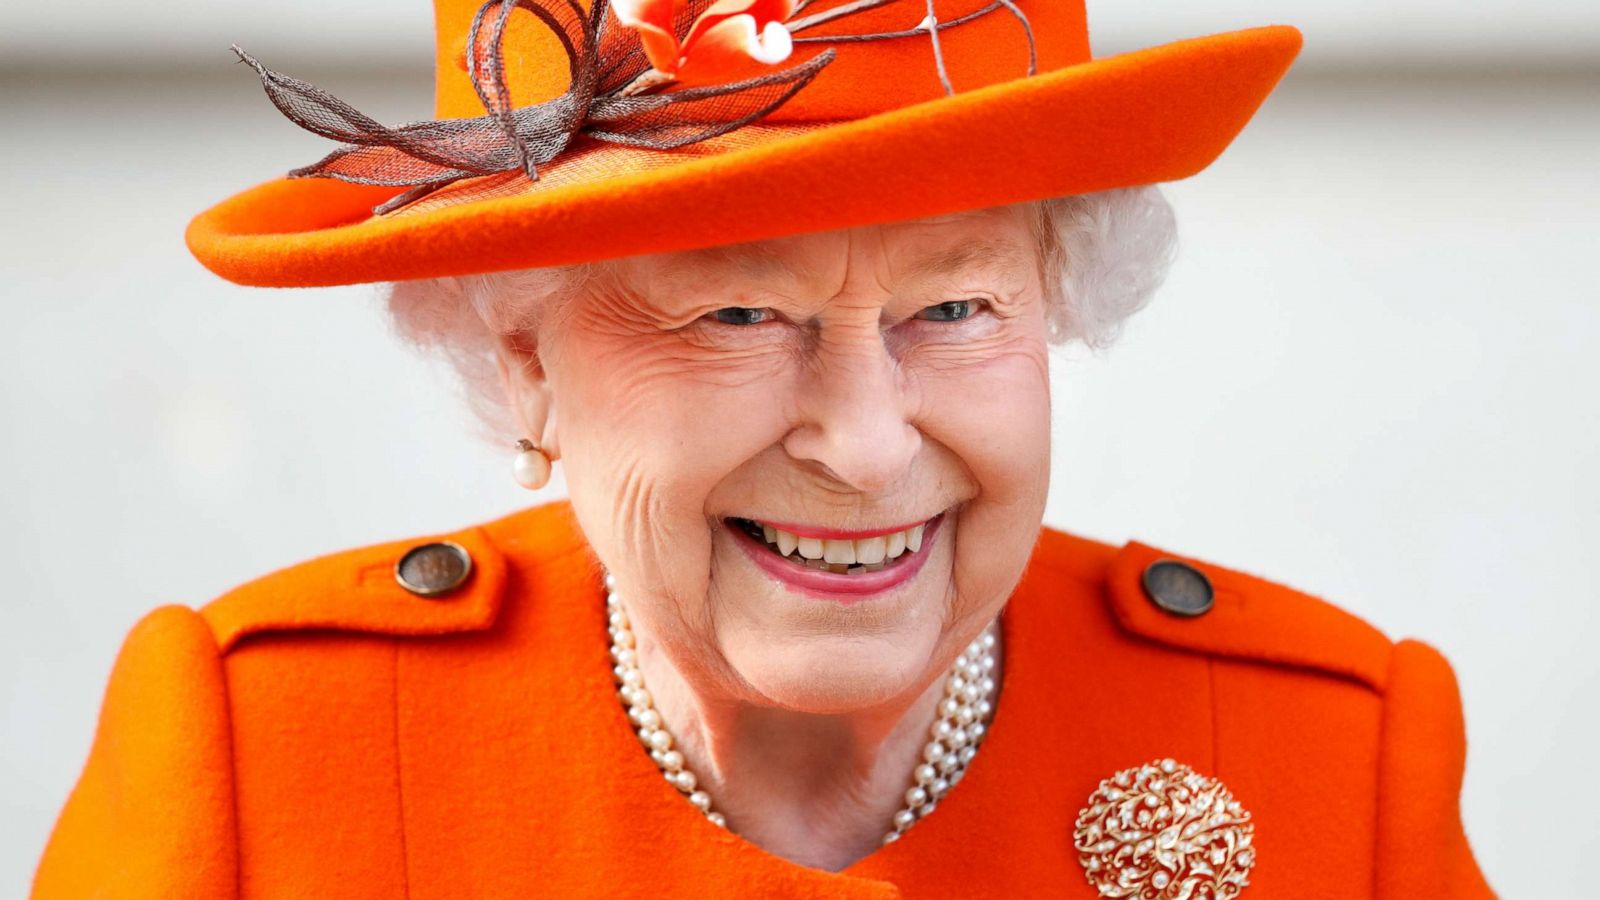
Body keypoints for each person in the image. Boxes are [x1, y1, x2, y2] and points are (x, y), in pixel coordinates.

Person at [32, 0, 1495, 896]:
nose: (864, 446)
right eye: (736, 312)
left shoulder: (1326, 756)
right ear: (523, 352)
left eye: (954, 306)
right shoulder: (271, 759)